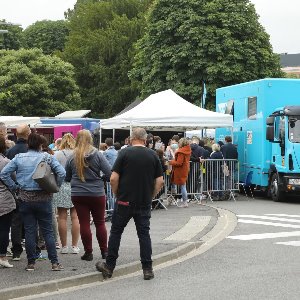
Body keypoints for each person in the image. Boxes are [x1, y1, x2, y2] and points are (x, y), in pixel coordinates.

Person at [96, 127, 164, 280]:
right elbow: (160, 181)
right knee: (144, 235)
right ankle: (147, 269)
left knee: (116, 233)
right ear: (145, 139)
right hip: (144, 201)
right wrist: (150, 196)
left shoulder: (124, 153)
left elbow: (113, 178)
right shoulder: (153, 155)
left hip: (124, 200)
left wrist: (116, 193)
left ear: (132, 138)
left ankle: (110, 266)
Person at [0, 133, 66, 271]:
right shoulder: (47, 157)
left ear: (28, 144)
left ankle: (31, 263)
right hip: (44, 198)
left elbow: (4, 174)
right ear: (40, 144)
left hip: (25, 198)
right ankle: (54, 263)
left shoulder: (19, 158)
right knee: (47, 231)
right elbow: (62, 173)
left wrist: (14, 187)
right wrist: (54, 187)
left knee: (30, 231)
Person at [65, 130, 112, 261]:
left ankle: (88, 252)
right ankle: (104, 251)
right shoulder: (98, 155)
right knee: (100, 223)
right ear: (90, 139)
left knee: (84, 223)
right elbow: (109, 173)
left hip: (78, 194)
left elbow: (67, 177)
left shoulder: (72, 156)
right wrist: (100, 177)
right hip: (96, 192)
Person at [5, 124, 31, 261]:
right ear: (28, 134)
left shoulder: (11, 151)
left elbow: (6, 173)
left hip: (15, 190)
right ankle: (33, 250)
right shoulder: (31, 150)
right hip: (32, 190)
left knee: (15, 221)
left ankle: (16, 250)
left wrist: (13, 186)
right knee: (32, 220)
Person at [53, 133, 80, 255]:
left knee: (62, 217)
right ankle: (74, 246)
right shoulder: (78, 154)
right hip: (76, 186)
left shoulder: (57, 154)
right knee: (75, 216)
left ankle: (64, 246)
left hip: (61, 185)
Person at [0, 136, 16, 268]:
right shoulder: (6, 162)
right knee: (4, 229)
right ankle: (2, 256)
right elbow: (13, 178)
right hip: (4, 199)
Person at [168, 137, 191, 208]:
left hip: (180, 170)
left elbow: (179, 162)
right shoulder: (187, 150)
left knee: (181, 186)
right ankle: (182, 201)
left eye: (179, 142)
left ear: (181, 143)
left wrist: (170, 162)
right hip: (185, 169)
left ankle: (184, 202)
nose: (178, 144)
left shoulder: (181, 151)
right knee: (182, 185)